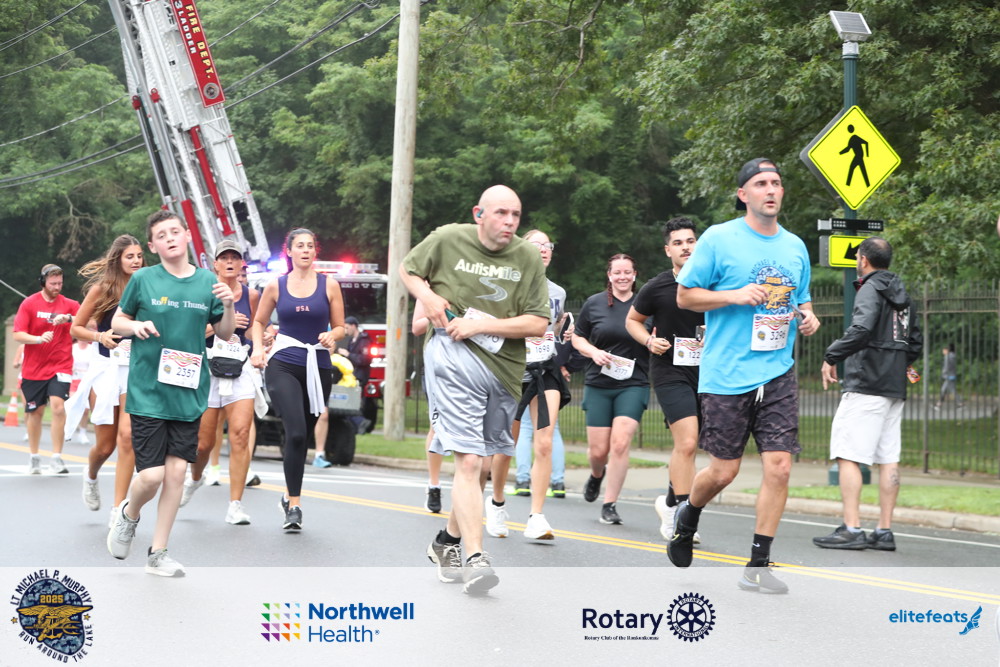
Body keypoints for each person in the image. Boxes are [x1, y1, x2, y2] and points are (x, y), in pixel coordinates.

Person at [667, 158, 821, 595]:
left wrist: (808, 317)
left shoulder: (794, 246)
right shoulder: (719, 239)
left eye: (776, 183)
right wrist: (734, 296)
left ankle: (758, 564)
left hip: (777, 370)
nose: (770, 190)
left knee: (780, 466)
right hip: (727, 373)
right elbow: (685, 297)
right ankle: (687, 514)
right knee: (723, 472)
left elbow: (802, 299)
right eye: (760, 183)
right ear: (743, 194)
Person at [401, 184, 548, 594]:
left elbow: (538, 323)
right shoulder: (449, 238)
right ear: (478, 214)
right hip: (451, 358)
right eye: (501, 213)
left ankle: (447, 541)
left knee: (482, 466)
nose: (509, 222)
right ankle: (476, 558)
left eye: (515, 215)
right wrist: (429, 298)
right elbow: (408, 269)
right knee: (468, 461)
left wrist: (479, 325)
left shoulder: (527, 257)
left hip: (503, 368)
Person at [106, 211, 236, 577]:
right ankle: (129, 513)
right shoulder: (143, 279)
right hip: (149, 390)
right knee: (151, 476)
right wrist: (134, 326)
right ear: (153, 246)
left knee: (177, 473)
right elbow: (117, 321)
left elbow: (225, 333)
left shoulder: (208, 282)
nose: (170, 238)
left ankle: (158, 553)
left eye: (175, 231)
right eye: (161, 235)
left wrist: (228, 305)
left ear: (186, 236)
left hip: (188, 392)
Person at [814, 237, 921, 551]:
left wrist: (831, 356)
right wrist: (897, 364)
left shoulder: (869, 289)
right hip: (894, 386)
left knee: (848, 454)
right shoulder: (903, 295)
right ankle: (884, 531)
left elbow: (861, 330)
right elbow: (914, 342)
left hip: (866, 383)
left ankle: (852, 528)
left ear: (863, 259)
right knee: (888, 457)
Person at [251, 228, 345, 530]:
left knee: (303, 435)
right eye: (299, 246)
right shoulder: (276, 285)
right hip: (284, 363)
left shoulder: (329, 285)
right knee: (294, 432)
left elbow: (340, 326)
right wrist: (258, 348)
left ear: (315, 251)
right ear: (289, 252)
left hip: (318, 366)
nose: (305, 250)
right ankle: (295, 505)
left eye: (309, 246)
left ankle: (287, 495)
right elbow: (259, 321)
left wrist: (332, 336)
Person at [625, 217, 704, 543]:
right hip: (670, 371)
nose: (685, 247)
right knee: (686, 443)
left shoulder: (714, 282)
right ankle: (683, 516)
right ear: (667, 250)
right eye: (678, 243)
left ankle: (669, 503)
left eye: (690, 241)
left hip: (708, 373)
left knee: (693, 445)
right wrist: (648, 341)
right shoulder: (657, 287)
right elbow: (633, 320)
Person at [180, 239, 260, 525]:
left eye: (234, 258)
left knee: (240, 434)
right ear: (214, 264)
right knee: (203, 444)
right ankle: (195, 477)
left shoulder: (251, 295)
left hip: (240, 369)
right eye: (224, 258)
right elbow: (188, 331)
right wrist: (223, 324)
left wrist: (262, 340)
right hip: (208, 368)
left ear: (241, 264)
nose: (229, 262)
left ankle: (235, 505)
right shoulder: (203, 292)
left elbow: (256, 328)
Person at [68, 235, 143, 520]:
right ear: (118, 259)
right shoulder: (102, 289)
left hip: (135, 369)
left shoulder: (148, 287)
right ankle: (90, 475)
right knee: (104, 446)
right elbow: (76, 328)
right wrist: (100, 336)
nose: (136, 261)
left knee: (128, 437)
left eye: (139, 256)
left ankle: (118, 509)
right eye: (130, 256)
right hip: (105, 368)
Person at [572, 253, 650, 525]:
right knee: (598, 452)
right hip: (599, 383)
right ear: (609, 276)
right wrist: (593, 352)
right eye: (617, 272)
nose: (622, 277)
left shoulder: (645, 305)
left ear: (634, 275)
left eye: (627, 272)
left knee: (620, 443)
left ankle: (610, 504)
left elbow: (658, 335)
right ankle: (596, 474)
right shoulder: (594, 303)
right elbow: (577, 338)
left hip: (634, 383)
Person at [13, 264, 80, 474]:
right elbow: (17, 334)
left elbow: (90, 322)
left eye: (60, 283)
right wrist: (38, 339)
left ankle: (57, 458)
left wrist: (69, 318)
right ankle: (34, 457)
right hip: (34, 368)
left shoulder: (70, 304)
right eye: (53, 283)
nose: (57, 287)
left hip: (61, 365)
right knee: (36, 412)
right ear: (43, 282)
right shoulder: (29, 304)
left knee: (59, 407)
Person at [411, 299, 445, 514]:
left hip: (472, 364)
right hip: (437, 364)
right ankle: (434, 486)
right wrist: (443, 314)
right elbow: (416, 327)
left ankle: (468, 486)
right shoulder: (428, 289)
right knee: (437, 425)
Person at [337, 315, 374, 433]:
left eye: (347, 328)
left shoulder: (364, 341)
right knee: (350, 403)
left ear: (354, 326)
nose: (345, 331)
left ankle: (360, 423)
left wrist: (348, 354)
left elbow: (365, 359)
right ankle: (357, 426)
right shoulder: (351, 341)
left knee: (355, 403)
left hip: (360, 377)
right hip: (351, 377)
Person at [934, 343, 962, 410]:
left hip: (948, 376)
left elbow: (946, 367)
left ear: (947, 350)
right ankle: (939, 404)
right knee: (944, 390)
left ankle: (960, 404)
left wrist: (943, 374)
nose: (943, 352)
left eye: (943, 350)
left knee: (949, 390)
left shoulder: (947, 356)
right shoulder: (953, 356)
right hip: (952, 375)